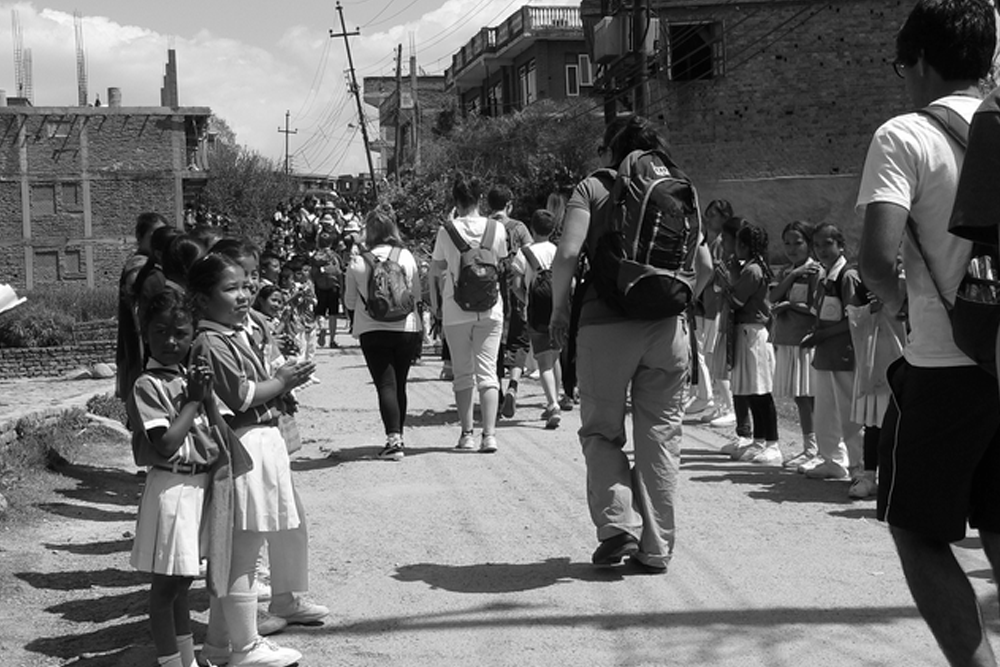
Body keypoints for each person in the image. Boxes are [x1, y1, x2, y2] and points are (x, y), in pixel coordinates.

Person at [856, 1, 1000, 663]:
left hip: (946, 362)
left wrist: (899, 313)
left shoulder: (905, 135)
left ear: (920, 62)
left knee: (915, 528)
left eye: (899, 66)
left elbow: (877, 256)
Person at [549, 115, 713, 573]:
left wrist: (561, 309)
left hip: (605, 325)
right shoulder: (678, 186)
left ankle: (618, 526)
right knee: (660, 436)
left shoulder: (594, 187)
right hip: (667, 330)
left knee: (602, 431)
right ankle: (657, 548)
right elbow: (706, 268)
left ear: (609, 151)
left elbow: (566, 253)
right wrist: (675, 303)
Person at [189, 253, 323, 667]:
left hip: (260, 442)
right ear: (201, 300)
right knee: (242, 548)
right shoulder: (211, 342)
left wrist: (282, 380)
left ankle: (218, 644)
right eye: (230, 289)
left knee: (248, 542)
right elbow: (242, 396)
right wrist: (281, 382)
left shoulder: (230, 335)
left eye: (245, 286)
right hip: (244, 442)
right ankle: (246, 646)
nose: (244, 295)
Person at [128, 288, 221, 667]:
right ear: (145, 333)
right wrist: (194, 400)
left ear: (193, 335)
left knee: (183, 582)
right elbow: (165, 443)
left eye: (180, 333)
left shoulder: (187, 376)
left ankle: (188, 660)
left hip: (197, 486)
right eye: (160, 331)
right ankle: (170, 662)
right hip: (172, 487)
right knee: (166, 587)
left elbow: (215, 430)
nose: (170, 341)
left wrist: (205, 394)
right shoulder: (147, 385)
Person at [430, 172, 508, 453]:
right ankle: (490, 436)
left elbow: (437, 267)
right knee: (488, 373)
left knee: (463, 374)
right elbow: (500, 262)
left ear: (456, 200)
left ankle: (467, 434)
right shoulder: (497, 229)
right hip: (491, 309)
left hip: (456, 308)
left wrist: (436, 306)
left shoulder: (446, 230)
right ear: (480, 199)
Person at [343, 204, 422, 461]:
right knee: (400, 383)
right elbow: (417, 295)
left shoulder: (357, 262)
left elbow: (350, 302)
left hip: (372, 329)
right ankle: (399, 436)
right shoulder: (406, 257)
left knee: (385, 384)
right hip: (406, 328)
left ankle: (393, 440)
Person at [799, 223, 866, 480]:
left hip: (843, 355)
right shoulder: (824, 276)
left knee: (850, 414)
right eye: (817, 245)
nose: (821, 250)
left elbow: (854, 319)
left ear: (840, 245)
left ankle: (858, 466)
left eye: (827, 244)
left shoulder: (847, 277)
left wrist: (823, 335)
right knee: (826, 412)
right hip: (826, 356)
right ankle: (832, 460)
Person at [716, 222, 781, 465]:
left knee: (762, 392)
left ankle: (772, 443)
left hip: (753, 333)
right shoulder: (751, 268)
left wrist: (728, 279)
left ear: (744, 245)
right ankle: (759, 440)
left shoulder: (752, 271)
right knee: (753, 391)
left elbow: (736, 300)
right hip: (745, 333)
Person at [768, 221, 822, 468]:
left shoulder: (815, 272)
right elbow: (773, 296)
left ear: (809, 243)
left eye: (797, 242)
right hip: (788, 340)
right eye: (787, 243)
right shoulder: (788, 272)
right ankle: (808, 447)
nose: (791, 248)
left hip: (806, 340)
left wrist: (790, 306)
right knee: (799, 396)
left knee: (812, 395)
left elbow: (816, 308)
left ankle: (821, 448)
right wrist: (791, 276)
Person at [510, 209, 562, 429]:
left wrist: (526, 300)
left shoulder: (525, 253)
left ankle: (552, 405)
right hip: (558, 311)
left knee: (543, 362)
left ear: (532, 229)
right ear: (552, 230)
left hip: (537, 312)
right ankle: (557, 398)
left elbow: (515, 285)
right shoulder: (558, 250)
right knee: (555, 357)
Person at [486, 185, 533, 420]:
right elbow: (531, 256)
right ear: (509, 204)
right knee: (519, 341)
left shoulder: (484, 228)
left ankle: (498, 394)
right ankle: (514, 384)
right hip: (517, 294)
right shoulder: (519, 228)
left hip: (490, 297)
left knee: (492, 346)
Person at [116, 212, 168, 400]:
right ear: (140, 237)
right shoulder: (137, 267)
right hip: (143, 341)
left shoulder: (157, 265)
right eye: (153, 235)